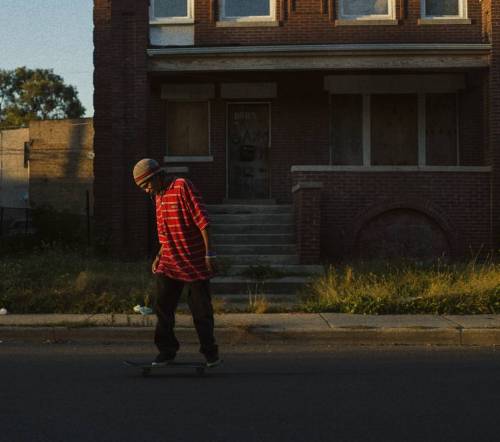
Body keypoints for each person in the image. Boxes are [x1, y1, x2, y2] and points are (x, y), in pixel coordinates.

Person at [132, 158, 221, 368]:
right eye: (142, 188)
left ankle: (210, 354)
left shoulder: (182, 186)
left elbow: (203, 220)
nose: (146, 191)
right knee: (163, 308)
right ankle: (167, 351)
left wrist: (210, 254)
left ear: (156, 176)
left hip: (194, 261)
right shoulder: (158, 196)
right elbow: (164, 232)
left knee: (201, 312)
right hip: (169, 262)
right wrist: (159, 256)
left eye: (146, 185)